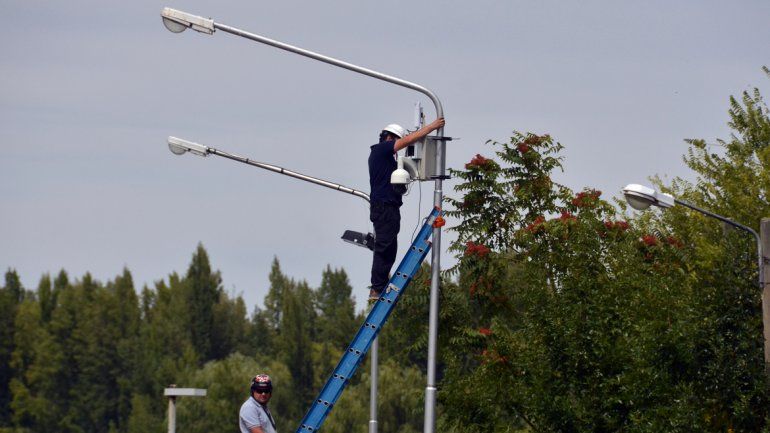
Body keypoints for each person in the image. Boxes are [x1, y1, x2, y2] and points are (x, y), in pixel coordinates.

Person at [368, 117, 446, 301]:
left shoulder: (389, 160)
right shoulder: (381, 149)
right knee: (384, 247)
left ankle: (380, 284)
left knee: (389, 248)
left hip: (389, 207)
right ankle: (377, 288)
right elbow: (406, 141)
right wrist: (431, 127)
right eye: (395, 139)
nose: (397, 144)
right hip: (384, 207)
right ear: (388, 137)